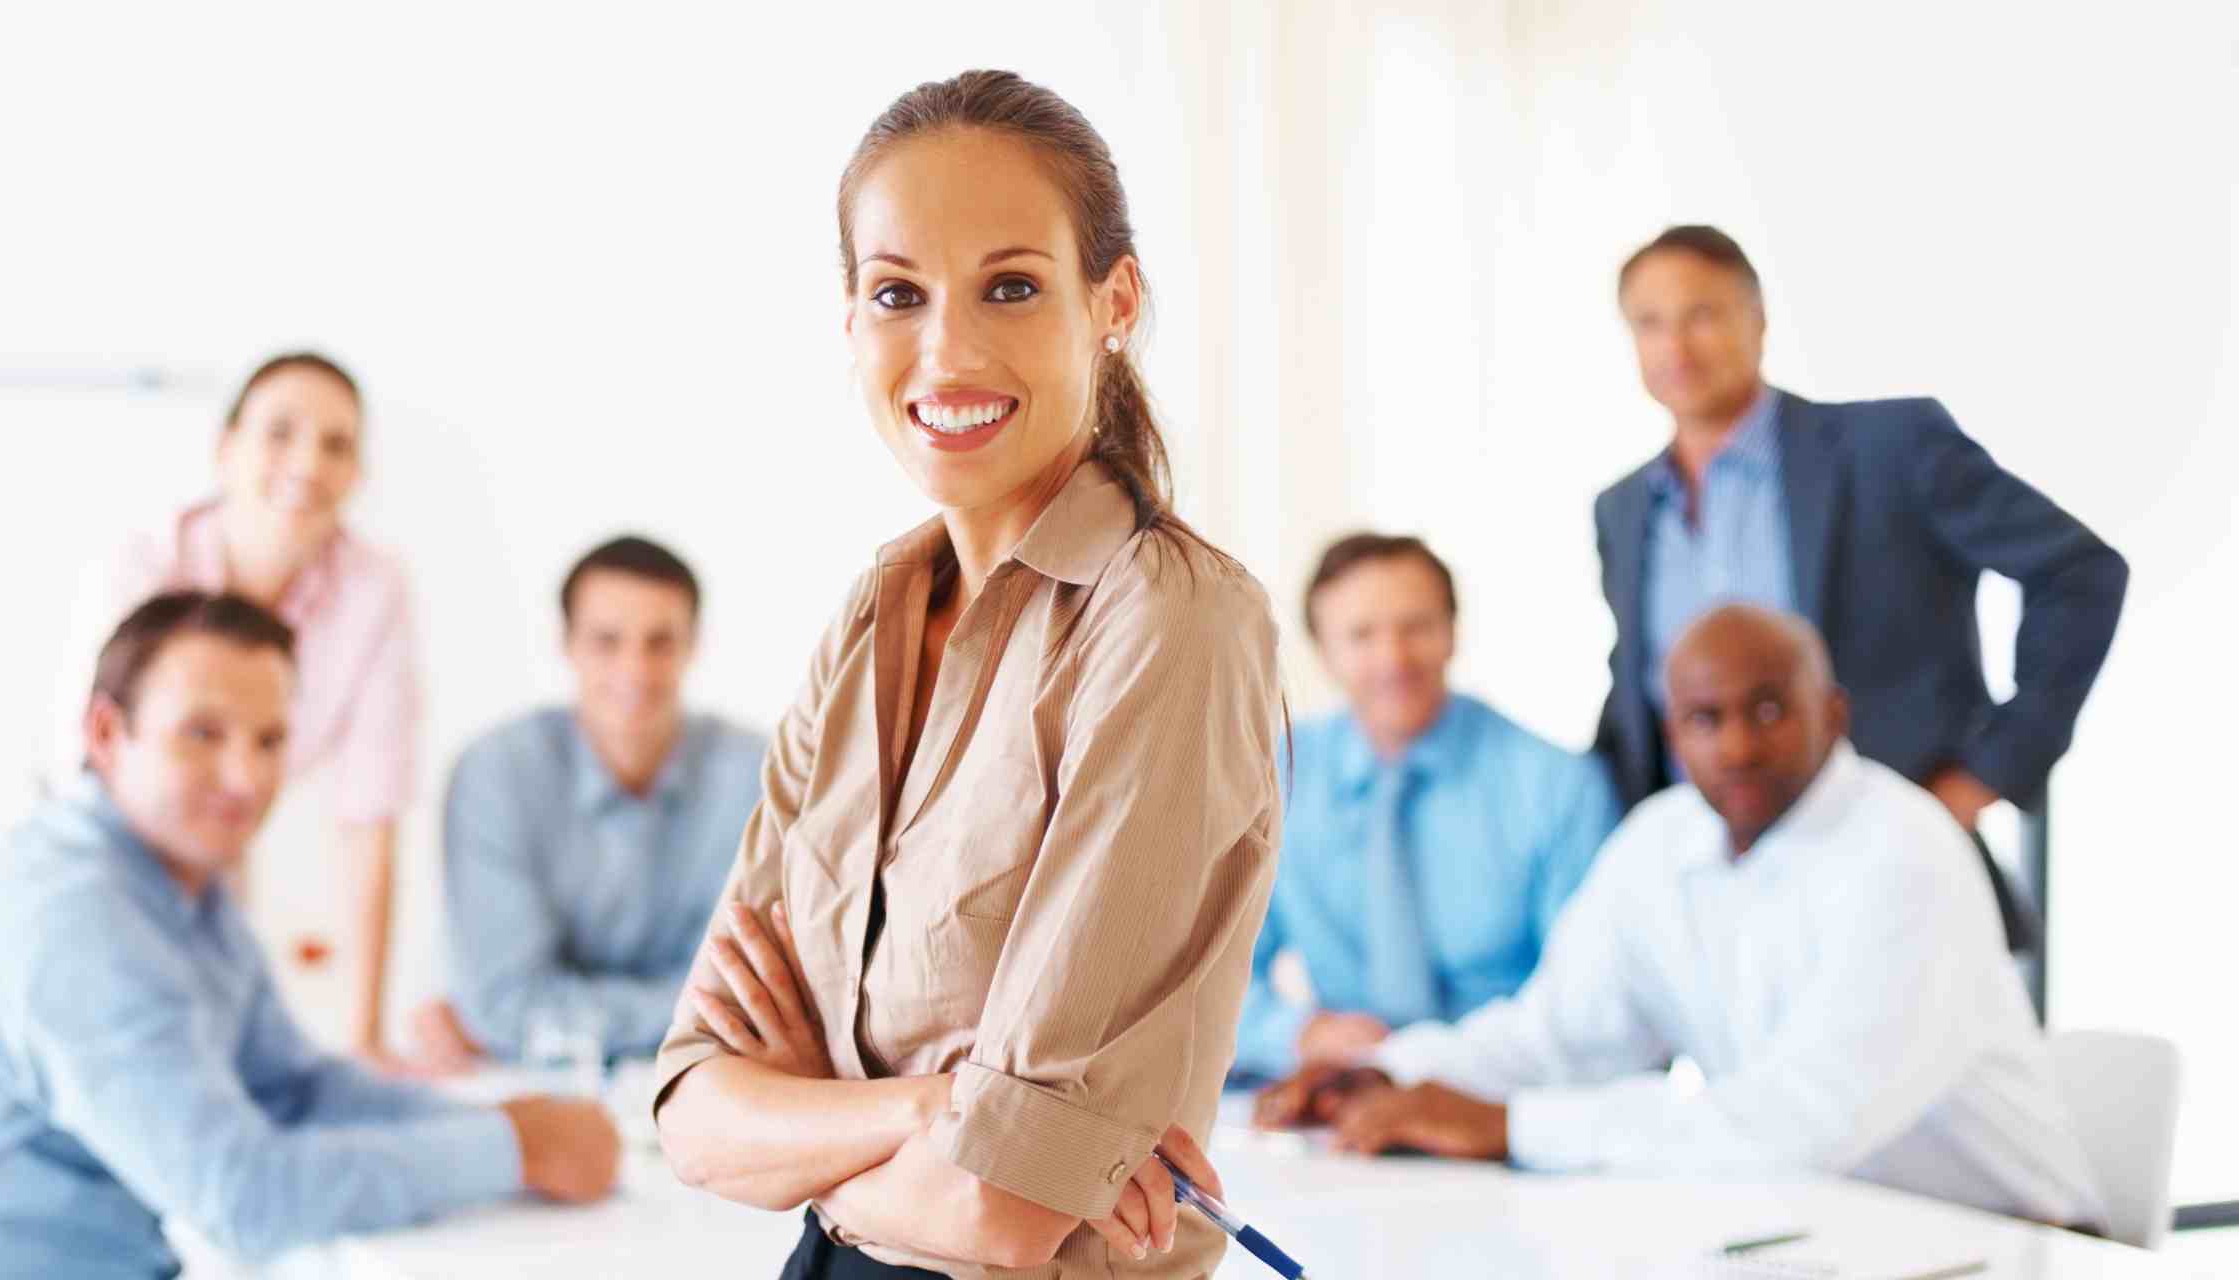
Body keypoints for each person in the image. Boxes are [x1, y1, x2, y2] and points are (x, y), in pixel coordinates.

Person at [650, 70, 1287, 1279]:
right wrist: (931, 1106)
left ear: (1114, 300)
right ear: (850, 323)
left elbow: (1000, 1210)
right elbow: (690, 1108)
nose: (945, 348)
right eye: (898, 294)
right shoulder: (867, 619)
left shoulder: (1173, 624)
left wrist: (814, 1124)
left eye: (1009, 286)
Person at [0, 592, 618, 1280]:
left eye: (269, 740)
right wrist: (511, 1148)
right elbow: (245, 1197)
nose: (247, 779)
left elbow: (296, 1090)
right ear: (105, 733)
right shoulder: (73, 917)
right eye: (203, 733)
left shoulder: (182, 884)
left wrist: (494, 1122)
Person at [1256, 604, 2107, 1231]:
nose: (1736, 745)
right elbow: (1560, 1034)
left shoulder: (1905, 851)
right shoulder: (1660, 841)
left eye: (1769, 709)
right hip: (1828, 1231)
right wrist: (1388, 1073)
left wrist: (1507, 1125)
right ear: (1673, 732)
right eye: (1706, 719)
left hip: (2011, 1245)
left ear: (1835, 713)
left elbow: (1798, 1126)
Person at [1591, 226, 2128, 960]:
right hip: (1718, 902)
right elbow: (1637, 699)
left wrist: (1991, 771)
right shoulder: (1623, 511)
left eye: (1703, 314)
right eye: (1649, 323)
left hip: (1893, 871)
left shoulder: (1889, 447)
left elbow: (2078, 574)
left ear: (1758, 318)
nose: (1676, 346)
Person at [52, 351, 421, 1060]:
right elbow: (93, 780)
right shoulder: (140, 569)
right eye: (281, 432)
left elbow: (370, 819)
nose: (309, 461)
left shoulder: (374, 593)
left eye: (337, 444)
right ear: (226, 450)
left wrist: (368, 1036)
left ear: (358, 476)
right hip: (116, 846)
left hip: (225, 844)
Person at [1234, 533, 1618, 1080]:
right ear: (1323, 652)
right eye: (1362, 635)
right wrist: (1299, 1034)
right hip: (1344, 1093)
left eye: (1417, 627)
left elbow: (1591, 996)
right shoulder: (1276, 777)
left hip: (1504, 1085)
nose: (1394, 658)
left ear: (1452, 634)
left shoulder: (1557, 786)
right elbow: (1212, 971)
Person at [404, 536, 765, 1072]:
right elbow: (507, 1005)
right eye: (606, 641)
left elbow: (762, 994)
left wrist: (538, 1022)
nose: (635, 670)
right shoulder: (497, 773)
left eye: (660, 642)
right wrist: (706, 1013)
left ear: (694, 646)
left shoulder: (759, 775)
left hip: (718, 1083)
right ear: (567, 644)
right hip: (519, 1083)